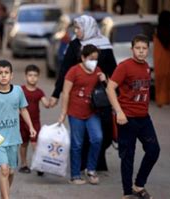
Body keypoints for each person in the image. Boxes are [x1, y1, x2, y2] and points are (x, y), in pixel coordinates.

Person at [49, 15, 117, 172]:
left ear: (89, 28)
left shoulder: (104, 44)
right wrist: (56, 94)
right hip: (79, 96)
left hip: (101, 97)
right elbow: (64, 71)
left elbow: (114, 72)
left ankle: (97, 161)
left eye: (79, 28)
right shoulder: (74, 45)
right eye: (76, 28)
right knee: (82, 134)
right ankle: (82, 165)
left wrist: (118, 95)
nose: (76, 31)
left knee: (104, 132)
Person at [106, 34, 160, 199]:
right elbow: (110, 88)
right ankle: (127, 193)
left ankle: (138, 185)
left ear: (148, 50)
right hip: (127, 118)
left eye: (144, 48)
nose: (141, 51)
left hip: (144, 118)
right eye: (138, 48)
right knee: (128, 156)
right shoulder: (124, 67)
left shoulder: (146, 67)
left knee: (153, 150)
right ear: (132, 49)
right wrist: (119, 112)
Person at [0, 60, 37, 199]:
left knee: (11, 172)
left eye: (6, 73)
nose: (3, 76)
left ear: (11, 75)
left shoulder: (18, 91)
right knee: (4, 169)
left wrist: (31, 127)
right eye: (0, 73)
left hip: (14, 138)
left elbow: (23, 109)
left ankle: (4, 195)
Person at [57, 44, 106, 185]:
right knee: (77, 144)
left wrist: (104, 79)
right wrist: (63, 113)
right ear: (83, 57)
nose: (94, 62)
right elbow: (65, 92)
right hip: (75, 112)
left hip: (92, 112)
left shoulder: (98, 71)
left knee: (97, 138)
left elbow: (106, 90)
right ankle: (75, 175)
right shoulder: (73, 71)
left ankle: (91, 169)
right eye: (91, 58)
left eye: (96, 59)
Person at [18, 64, 50, 176]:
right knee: (23, 144)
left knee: (35, 143)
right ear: (25, 76)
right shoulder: (20, 90)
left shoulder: (39, 92)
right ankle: (24, 164)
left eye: (35, 75)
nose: (32, 78)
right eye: (30, 75)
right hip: (22, 122)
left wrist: (51, 101)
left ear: (38, 77)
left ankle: (39, 164)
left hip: (35, 123)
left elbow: (46, 103)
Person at [153, 10, 170, 107]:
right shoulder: (165, 31)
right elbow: (169, 44)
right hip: (167, 60)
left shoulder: (158, 30)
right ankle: (169, 100)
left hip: (161, 61)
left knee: (163, 81)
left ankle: (162, 101)